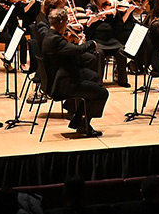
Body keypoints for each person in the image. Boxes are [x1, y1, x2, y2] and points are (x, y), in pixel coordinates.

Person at [42, 8, 109, 137]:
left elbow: (70, 52)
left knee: (94, 77)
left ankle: (78, 120)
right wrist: (89, 44)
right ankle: (84, 124)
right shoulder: (55, 40)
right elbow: (75, 51)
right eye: (67, 22)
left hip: (63, 74)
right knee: (102, 93)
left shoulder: (50, 35)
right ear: (61, 22)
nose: (68, 24)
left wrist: (78, 43)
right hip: (63, 82)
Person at [85, 0, 132, 87]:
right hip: (97, 39)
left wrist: (119, 14)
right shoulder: (91, 7)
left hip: (111, 39)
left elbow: (119, 27)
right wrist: (104, 13)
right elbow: (88, 23)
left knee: (121, 51)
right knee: (99, 53)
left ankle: (122, 79)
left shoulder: (111, 6)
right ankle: (98, 81)